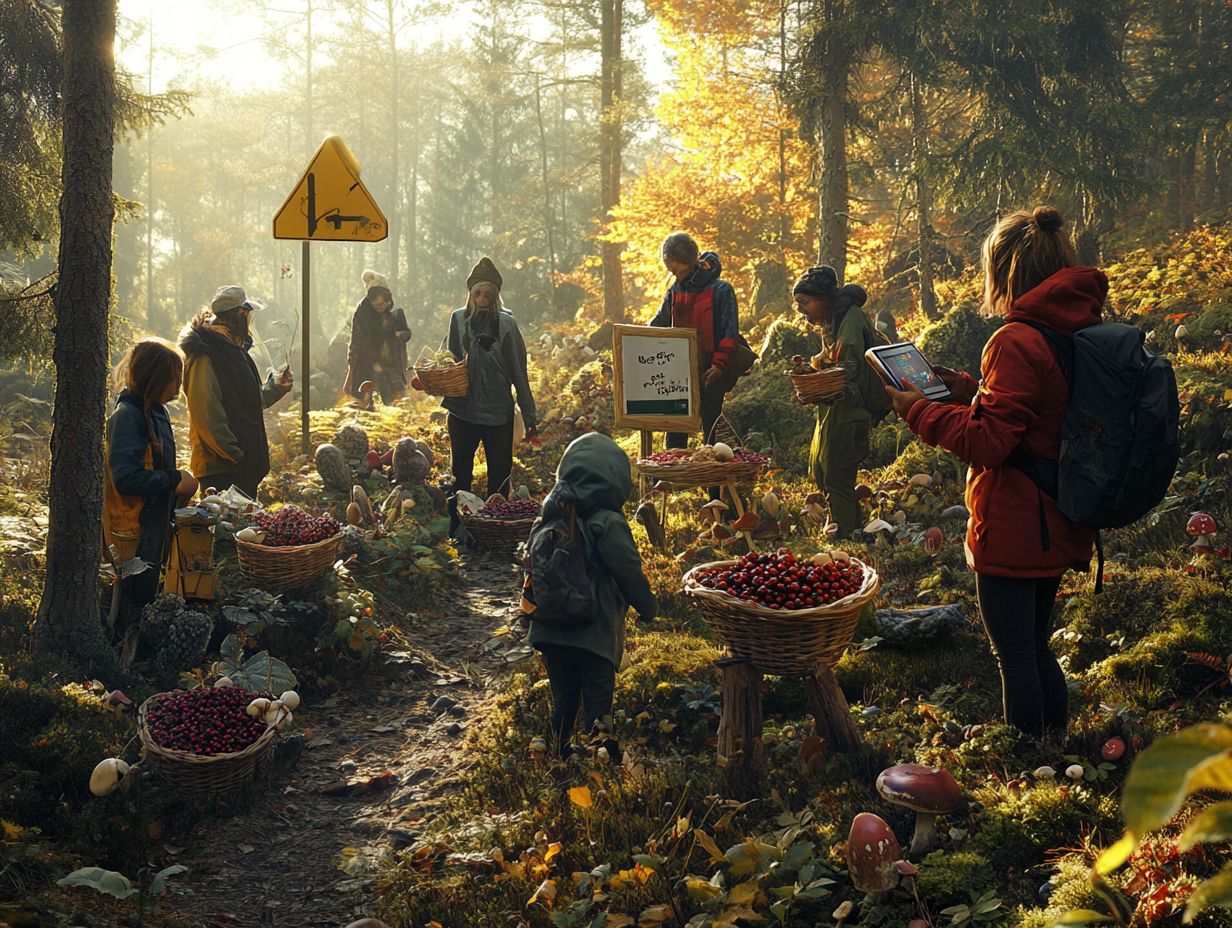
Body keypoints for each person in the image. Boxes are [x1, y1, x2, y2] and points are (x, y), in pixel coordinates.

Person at [883, 206, 1097, 737]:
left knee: (1015, 655)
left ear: (1006, 271)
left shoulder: (1015, 339)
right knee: (1035, 645)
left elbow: (989, 441)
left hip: (1017, 520)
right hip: (1061, 511)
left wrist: (917, 409)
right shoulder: (1079, 328)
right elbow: (1037, 411)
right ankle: (1055, 749)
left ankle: (1026, 762)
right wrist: (962, 390)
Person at [529, 432, 657, 760]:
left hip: (550, 628)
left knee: (564, 695)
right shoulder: (608, 522)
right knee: (599, 700)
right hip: (593, 632)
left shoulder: (548, 516)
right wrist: (649, 607)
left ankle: (556, 751)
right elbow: (627, 571)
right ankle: (605, 758)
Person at [434, 257, 537, 532]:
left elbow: (519, 371)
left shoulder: (507, 325)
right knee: (460, 477)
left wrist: (530, 417)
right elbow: (451, 360)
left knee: (500, 479)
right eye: (477, 292)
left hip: (498, 414)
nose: (481, 298)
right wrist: (432, 381)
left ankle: (497, 531)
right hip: (463, 412)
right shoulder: (458, 319)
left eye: (487, 294)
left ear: (495, 296)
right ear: (470, 293)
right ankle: (459, 529)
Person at [104, 338, 198, 631]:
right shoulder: (127, 417)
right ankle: (123, 647)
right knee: (131, 596)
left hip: (153, 522)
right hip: (131, 528)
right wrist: (173, 479)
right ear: (153, 378)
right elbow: (125, 478)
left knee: (148, 589)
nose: (177, 389)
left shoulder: (157, 412)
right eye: (173, 381)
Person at [793, 265, 888, 539]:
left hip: (850, 409)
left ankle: (844, 532)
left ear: (824, 297)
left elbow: (849, 367)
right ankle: (842, 522)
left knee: (838, 470)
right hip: (834, 408)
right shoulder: (834, 320)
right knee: (822, 468)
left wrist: (822, 383)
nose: (801, 309)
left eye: (805, 302)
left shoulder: (850, 319)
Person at [180, 285, 294, 499]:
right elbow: (206, 411)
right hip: (221, 470)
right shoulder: (206, 353)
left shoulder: (232, 350)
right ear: (241, 314)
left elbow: (246, 402)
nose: (251, 321)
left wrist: (275, 388)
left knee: (243, 530)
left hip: (239, 468)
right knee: (223, 530)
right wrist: (235, 454)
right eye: (249, 314)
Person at [650, 233, 751, 452]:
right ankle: (674, 479)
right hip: (679, 370)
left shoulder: (721, 290)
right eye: (670, 270)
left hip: (712, 371)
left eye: (676, 269)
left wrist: (719, 366)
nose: (674, 275)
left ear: (690, 261)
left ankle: (713, 481)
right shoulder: (675, 291)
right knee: (675, 424)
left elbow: (729, 333)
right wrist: (636, 342)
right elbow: (658, 323)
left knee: (712, 426)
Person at [344, 270, 411, 406]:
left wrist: (399, 335)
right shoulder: (362, 312)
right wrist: (350, 373)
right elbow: (356, 342)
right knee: (369, 400)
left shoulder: (395, 310)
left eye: (381, 304)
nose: (378, 307)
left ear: (387, 300)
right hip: (367, 364)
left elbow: (406, 332)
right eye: (375, 305)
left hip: (392, 363)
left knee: (397, 398)